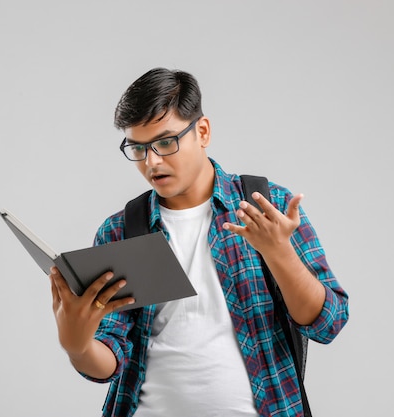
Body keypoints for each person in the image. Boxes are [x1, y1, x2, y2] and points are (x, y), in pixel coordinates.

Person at [48, 68, 349, 417]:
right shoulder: (123, 229)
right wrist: (76, 345)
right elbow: (111, 359)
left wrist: (279, 252)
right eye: (138, 148)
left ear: (202, 131)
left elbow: (329, 323)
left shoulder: (268, 206)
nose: (152, 162)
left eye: (165, 142)